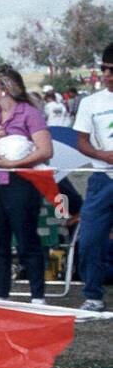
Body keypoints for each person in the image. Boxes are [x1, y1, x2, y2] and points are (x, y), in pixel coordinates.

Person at [0, 66, 53, 304]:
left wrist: (13, 163)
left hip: (21, 184)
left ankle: (38, 296)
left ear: (5, 88)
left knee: (27, 238)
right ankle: (1, 294)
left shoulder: (29, 114)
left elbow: (46, 151)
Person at [73, 43, 113, 312]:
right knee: (89, 239)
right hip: (102, 179)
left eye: (112, 70)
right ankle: (93, 296)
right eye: (104, 69)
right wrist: (103, 155)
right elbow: (82, 142)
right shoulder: (91, 102)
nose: (107, 75)